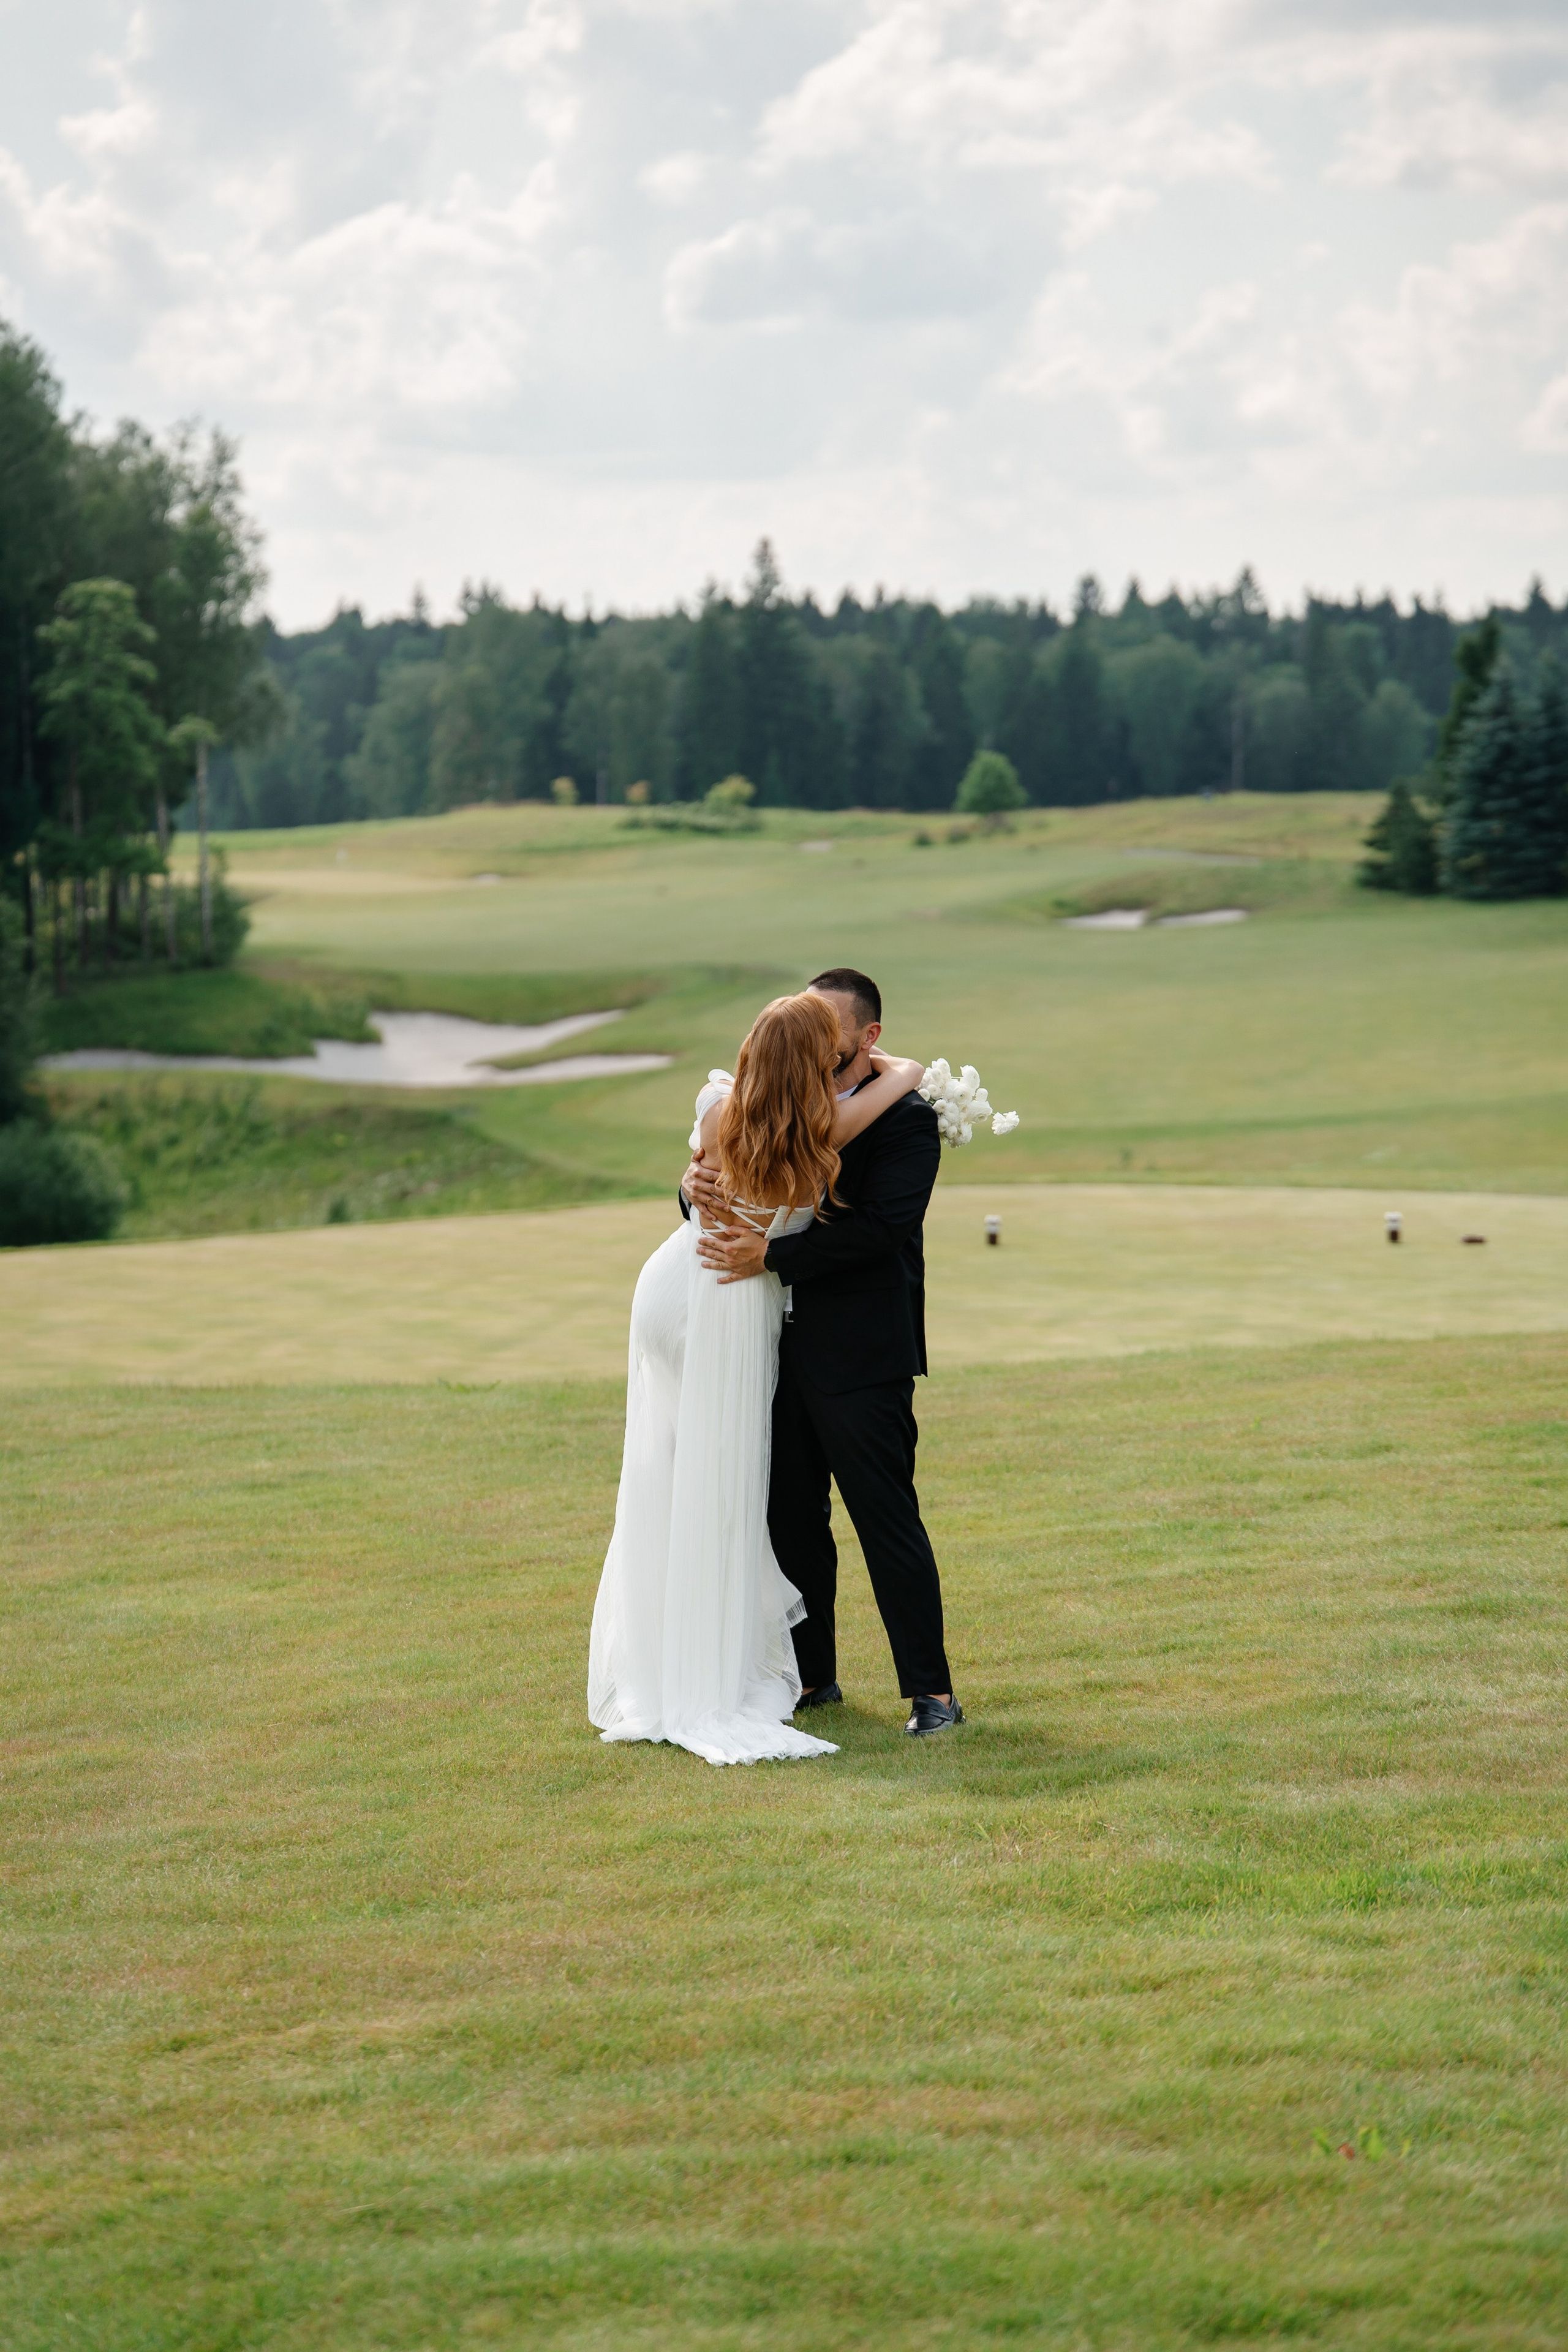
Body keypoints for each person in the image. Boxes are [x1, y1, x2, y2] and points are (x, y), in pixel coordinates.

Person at [587, 989, 925, 1766]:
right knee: (725, 1486)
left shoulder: (718, 1102)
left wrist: (693, 1182)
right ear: (814, 1059)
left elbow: (701, 1176)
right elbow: (897, 1080)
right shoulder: (816, 1130)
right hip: (728, 1302)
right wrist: (901, 1068)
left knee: (673, 1477)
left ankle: (686, 1658)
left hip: (671, 1288)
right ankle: (712, 1671)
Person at [687, 968, 962, 1738]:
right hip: (766, 1349)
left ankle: (932, 1693)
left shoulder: (906, 1118)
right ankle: (814, 1681)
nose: (811, 1041)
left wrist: (772, 1259)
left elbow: (883, 1228)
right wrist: (694, 1188)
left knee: (886, 1520)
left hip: (861, 1353)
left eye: (826, 1030)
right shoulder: (778, 1100)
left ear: (864, 1039)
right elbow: (722, 1180)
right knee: (790, 1522)